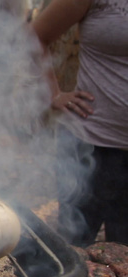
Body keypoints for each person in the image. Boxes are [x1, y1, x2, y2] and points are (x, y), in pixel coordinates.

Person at [32, 0, 128, 246]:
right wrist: (53, 93)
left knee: (124, 256)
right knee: (74, 247)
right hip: (90, 145)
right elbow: (35, 36)